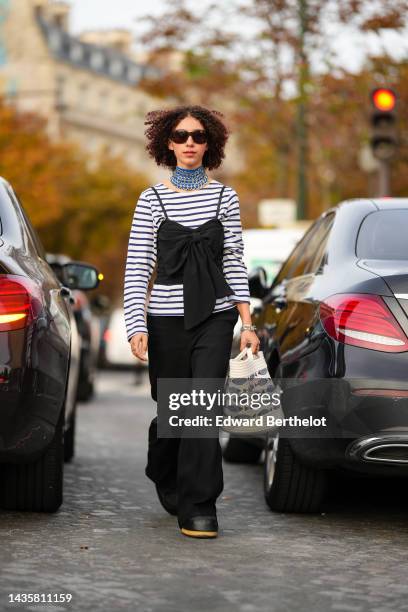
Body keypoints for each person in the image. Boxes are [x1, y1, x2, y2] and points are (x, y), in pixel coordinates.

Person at [123, 104, 259, 538]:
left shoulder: (225, 197)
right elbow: (139, 264)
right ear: (167, 142)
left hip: (215, 316)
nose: (189, 144)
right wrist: (136, 324)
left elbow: (234, 259)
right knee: (173, 411)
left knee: (201, 407)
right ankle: (166, 471)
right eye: (181, 136)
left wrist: (247, 322)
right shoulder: (152, 199)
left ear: (210, 144)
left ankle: (200, 505)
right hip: (165, 318)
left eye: (198, 136)